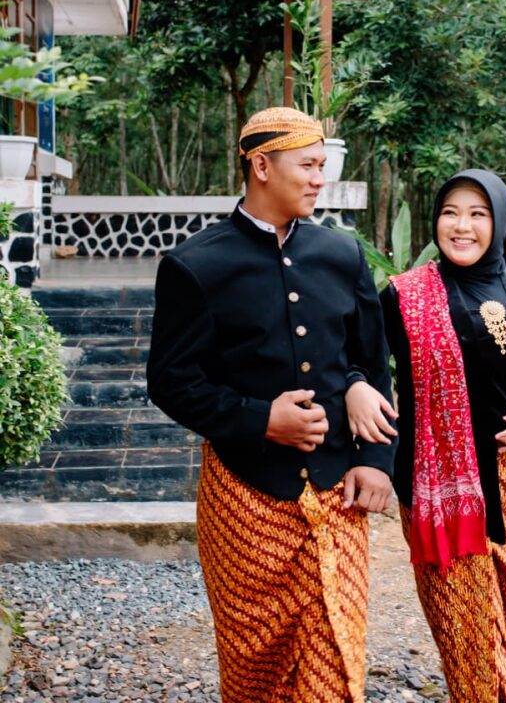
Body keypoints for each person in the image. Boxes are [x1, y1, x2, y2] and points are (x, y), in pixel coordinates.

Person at [147, 106, 397, 703]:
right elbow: (171, 381)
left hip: (338, 493)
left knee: (336, 659)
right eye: (307, 166)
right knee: (253, 667)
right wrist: (262, 420)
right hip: (244, 496)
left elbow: (370, 361)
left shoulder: (343, 255)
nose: (319, 180)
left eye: (322, 166)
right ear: (261, 165)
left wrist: (375, 461)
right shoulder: (195, 265)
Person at [349, 168, 506, 703]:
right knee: (465, 632)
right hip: (439, 494)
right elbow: (358, 360)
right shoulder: (402, 296)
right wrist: (354, 387)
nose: (461, 226)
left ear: (501, 222)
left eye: (477, 214)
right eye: (450, 213)